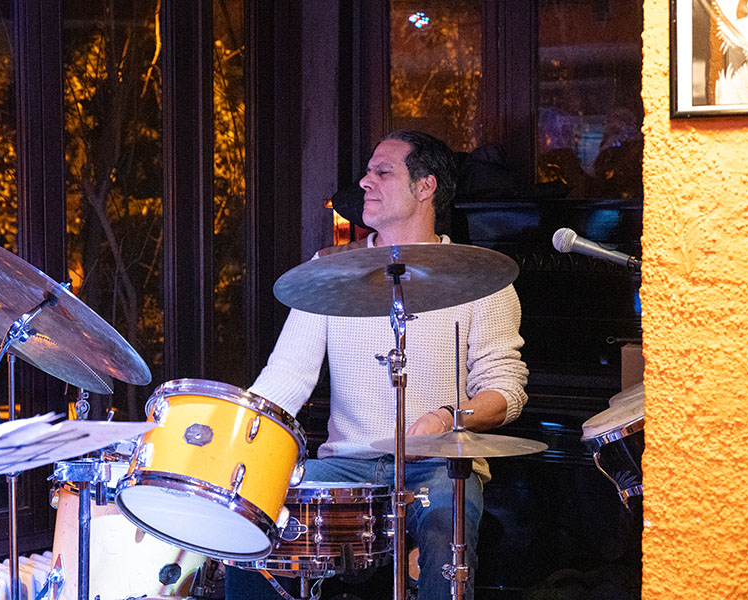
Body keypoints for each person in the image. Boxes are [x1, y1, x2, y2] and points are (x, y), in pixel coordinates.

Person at [225, 129, 528, 599]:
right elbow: (287, 375)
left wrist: (447, 419)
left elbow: (506, 390)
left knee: (447, 525)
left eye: (382, 172)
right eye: (367, 172)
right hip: (347, 464)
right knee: (251, 514)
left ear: (425, 187)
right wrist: (235, 442)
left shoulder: (481, 279)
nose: (365, 182)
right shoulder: (329, 270)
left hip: (438, 466)